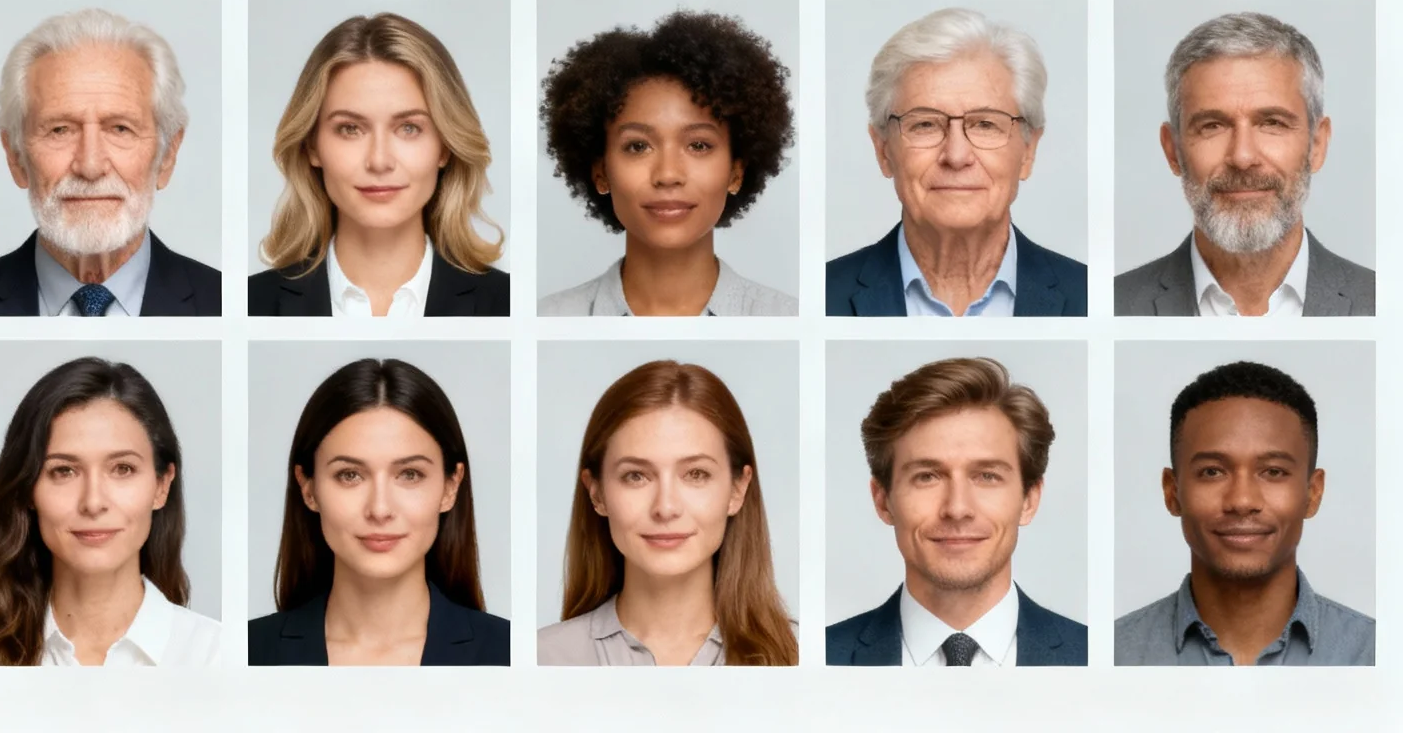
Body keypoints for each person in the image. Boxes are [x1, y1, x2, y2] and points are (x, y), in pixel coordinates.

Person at [826, 357, 1087, 666]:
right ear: (883, 500)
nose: (958, 508)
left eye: (987, 476)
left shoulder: (1093, 655)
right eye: (927, 476)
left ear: (1029, 499)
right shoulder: (819, 656)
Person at [826, 8, 1086, 317]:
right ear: (883, 150)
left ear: (1028, 151)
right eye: (925, 124)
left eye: (985, 124)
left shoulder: (1092, 296)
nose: (957, 156)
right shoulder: (823, 296)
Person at [248, 358, 509, 665]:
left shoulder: (511, 653)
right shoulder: (246, 652)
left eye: (410, 474)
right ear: (309, 489)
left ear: (451, 487)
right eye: (350, 475)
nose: (380, 509)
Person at [0, 9, 219, 317]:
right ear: (15, 156)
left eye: (120, 128)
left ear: (167, 156)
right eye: (60, 130)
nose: (90, 166)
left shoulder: (226, 302)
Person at [537, 361, 797, 666]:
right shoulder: (540, 657)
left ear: (738, 489)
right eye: (636, 476)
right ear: (596, 493)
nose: (666, 508)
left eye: (696, 474)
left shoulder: (804, 655)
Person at [248, 13, 508, 317]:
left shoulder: (508, 304)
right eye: (350, 129)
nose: (379, 161)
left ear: (445, 147)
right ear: (312, 146)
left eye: (409, 128)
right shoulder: (248, 304)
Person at [1115, 361, 1374, 665]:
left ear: (1312, 493)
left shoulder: (1376, 653)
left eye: (1274, 472)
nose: (1241, 500)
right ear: (1172, 492)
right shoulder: (1114, 653)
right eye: (1212, 472)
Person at [0, 357, 220, 666]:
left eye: (123, 469)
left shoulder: (219, 655)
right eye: (64, 471)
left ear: (161, 485)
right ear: (28, 489)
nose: (93, 502)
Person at [539, 10, 796, 316]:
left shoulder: (787, 316)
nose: (668, 174)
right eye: (637, 146)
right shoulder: (548, 316)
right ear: (600, 171)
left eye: (698, 145)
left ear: (736, 171)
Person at [1115, 12, 1372, 316]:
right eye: (1212, 126)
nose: (1242, 157)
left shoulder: (1384, 303)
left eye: (1272, 123)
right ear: (1173, 151)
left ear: (1317, 145)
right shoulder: (1113, 305)